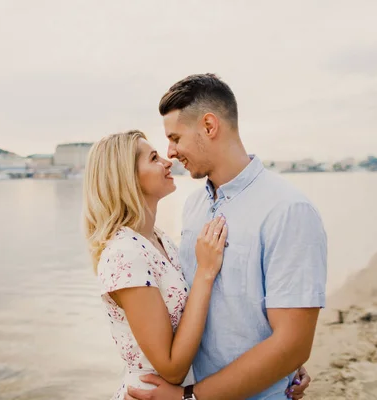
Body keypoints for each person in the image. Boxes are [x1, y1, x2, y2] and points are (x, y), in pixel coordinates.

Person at [124, 73, 327, 400]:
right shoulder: (193, 206)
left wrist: (190, 397)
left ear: (208, 126)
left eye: (175, 138)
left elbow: (293, 343)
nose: (170, 152)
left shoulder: (288, 210)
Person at [82, 130, 311, 400]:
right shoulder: (123, 253)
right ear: (127, 179)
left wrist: (280, 365)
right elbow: (171, 369)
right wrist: (205, 271)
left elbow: (209, 311)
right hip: (153, 393)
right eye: (154, 158)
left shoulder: (158, 238)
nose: (168, 160)